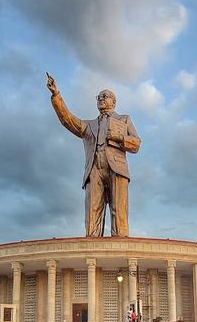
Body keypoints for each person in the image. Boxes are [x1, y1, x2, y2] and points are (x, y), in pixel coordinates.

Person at [46, 73, 141, 237]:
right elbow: (67, 120)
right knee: (92, 211)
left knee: (119, 211)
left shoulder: (124, 119)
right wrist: (56, 95)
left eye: (105, 96)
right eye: (99, 97)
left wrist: (119, 137)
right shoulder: (88, 126)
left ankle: (120, 247)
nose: (101, 99)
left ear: (114, 102)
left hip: (117, 168)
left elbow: (136, 144)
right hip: (94, 169)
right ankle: (92, 248)